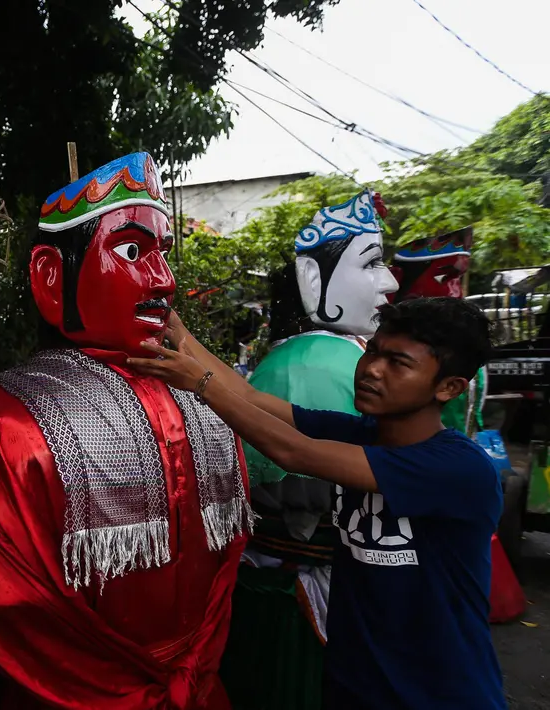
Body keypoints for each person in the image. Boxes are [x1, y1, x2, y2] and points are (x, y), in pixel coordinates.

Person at [0, 153, 251, 709]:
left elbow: (225, 574)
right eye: (133, 251)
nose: (164, 279)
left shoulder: (207, 402)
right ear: (51, 277)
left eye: (164, 255)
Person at [129, 297, 505, 710]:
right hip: (354, 684)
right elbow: (252, 397)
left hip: (439, 694)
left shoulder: (457, 468)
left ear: (448, 387)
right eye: (373, 351)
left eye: (398, 363)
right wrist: (179, 334)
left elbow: (296, 452)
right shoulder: (363, 433)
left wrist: (200, 385)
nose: (372, 369)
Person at [221, 189, 397, 709]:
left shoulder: (288, 360)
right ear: (313, 281)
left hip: (270, 573)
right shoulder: (336, 365)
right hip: (318, 580)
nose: (389, 281)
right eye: (372, 263)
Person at [390, 226, 483, 434]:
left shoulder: (467, 345)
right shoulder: (382, 348)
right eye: (445, 279)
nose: (455, 291)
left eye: (457, 281)